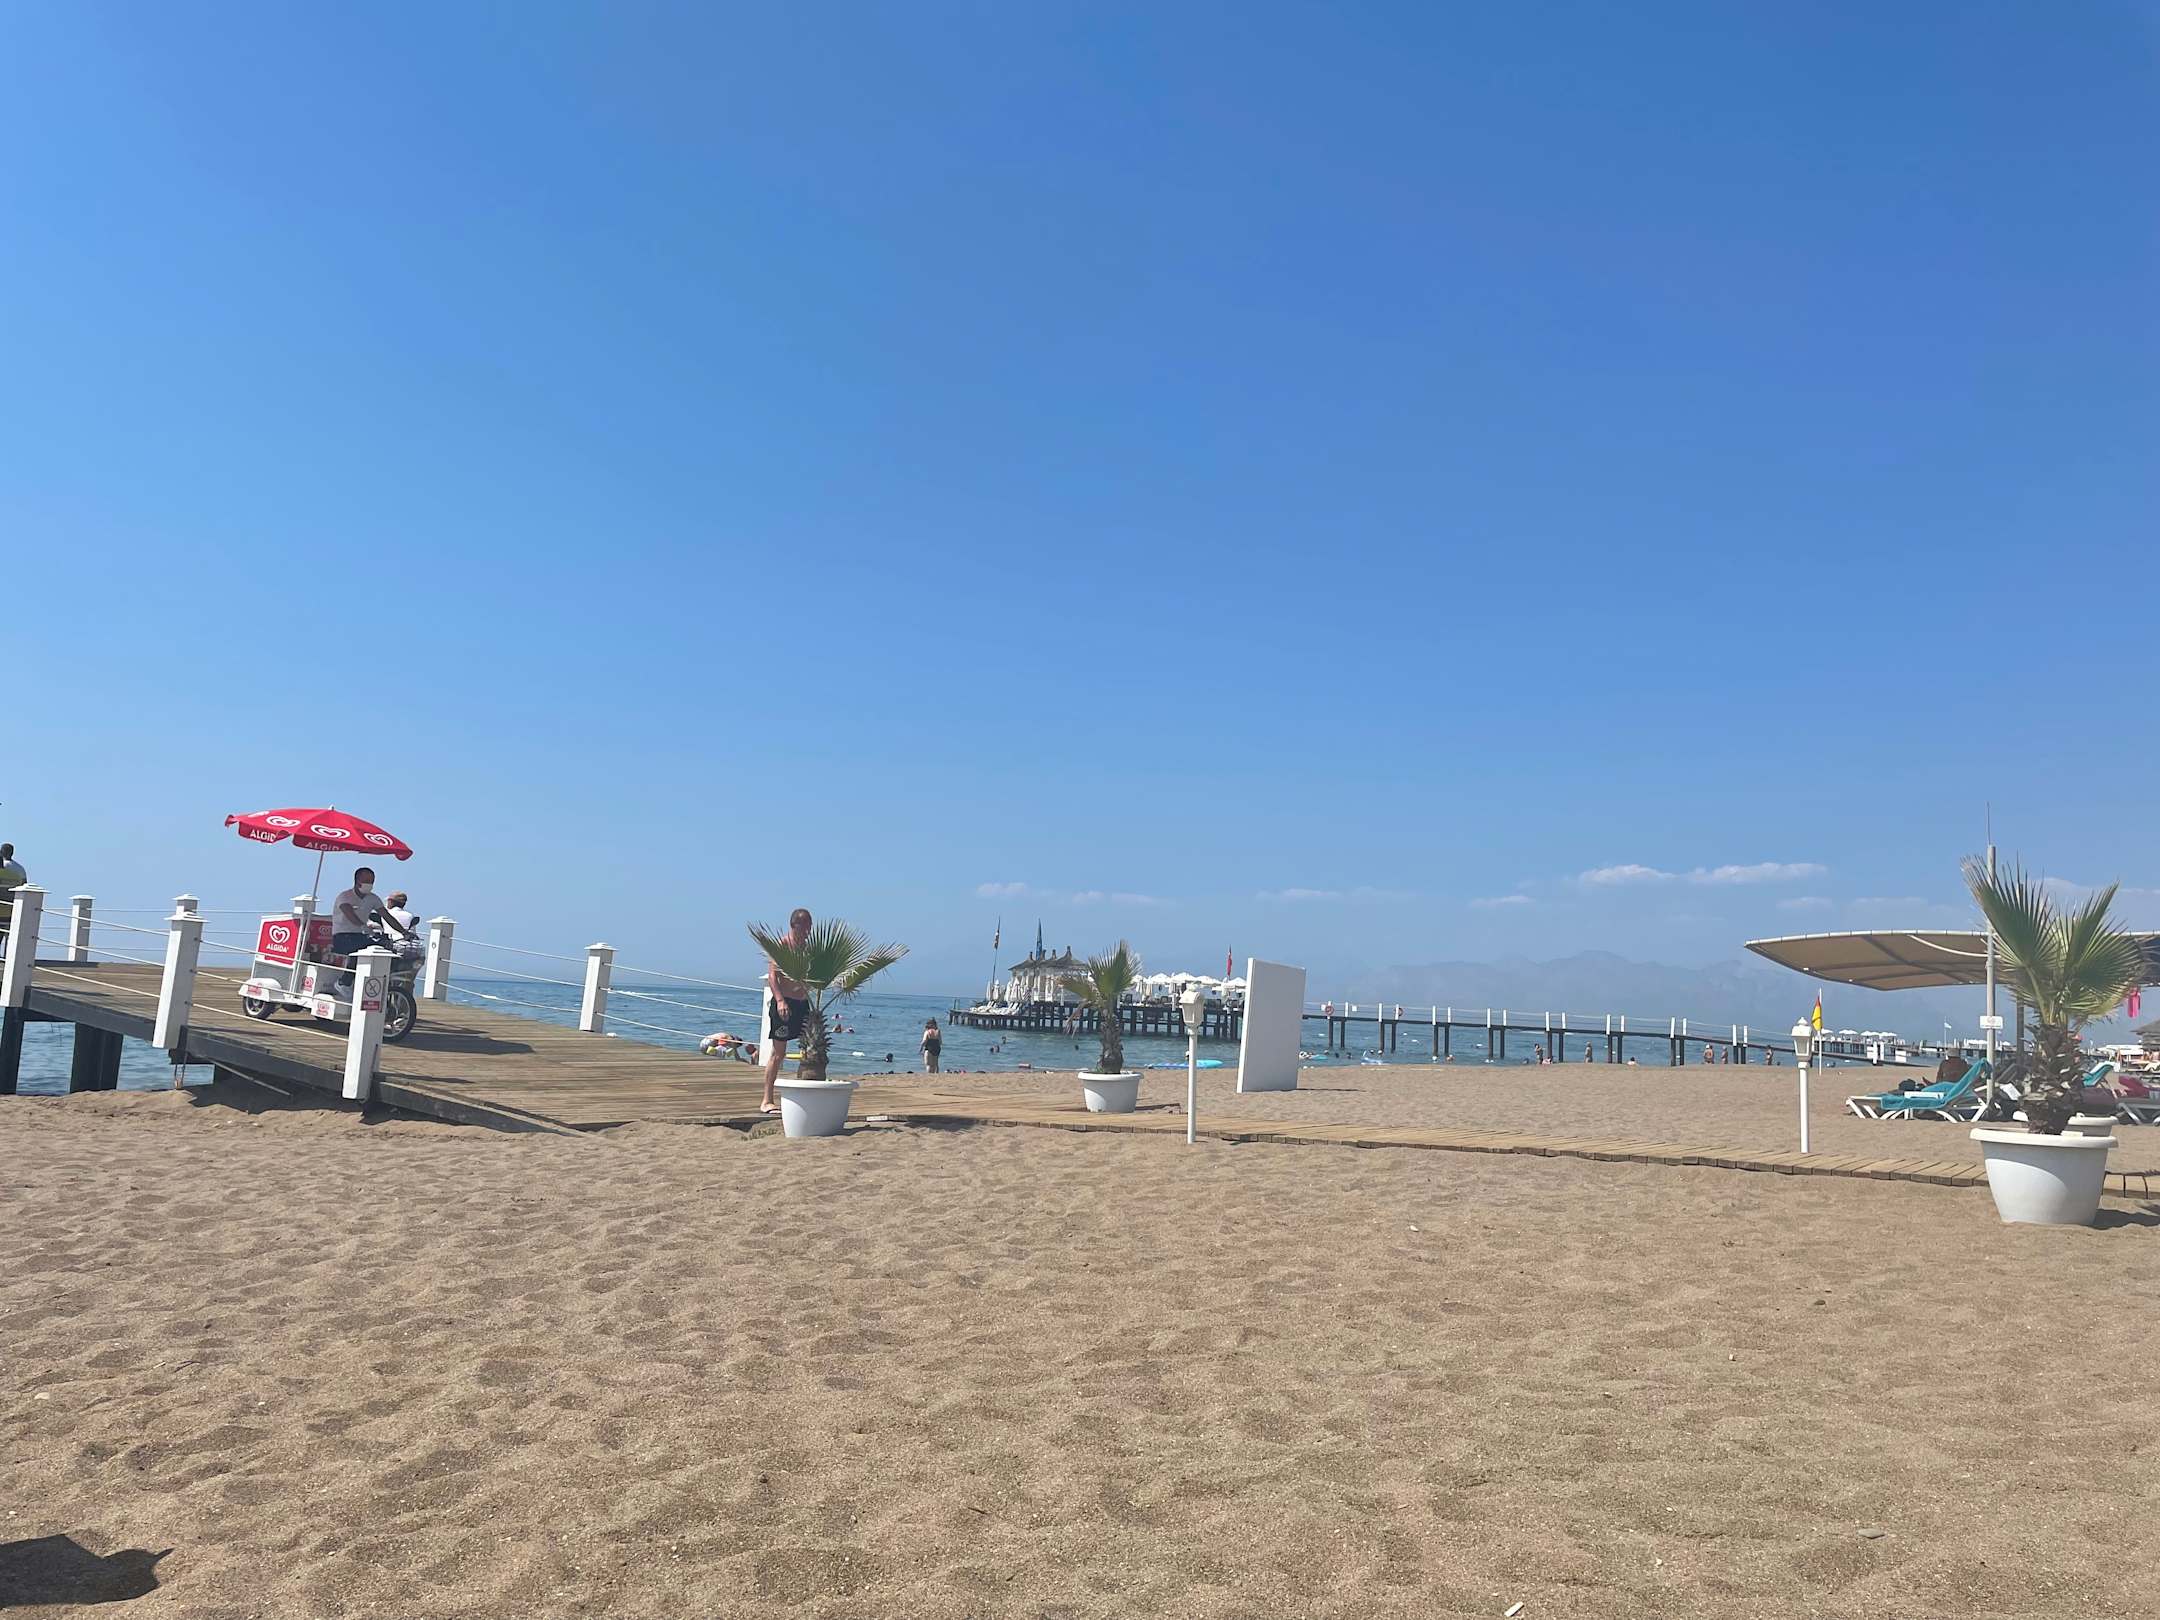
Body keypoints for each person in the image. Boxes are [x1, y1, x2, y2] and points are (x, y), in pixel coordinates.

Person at [760, 906, 813, 1114]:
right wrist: (780, 1000)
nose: (807, 931)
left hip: (803, 1003)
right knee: (778, 1053)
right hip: (785, 1002)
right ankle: (767, 1099)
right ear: (794, 925)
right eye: (804, 927)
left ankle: (804, 1098)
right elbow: (773, 976)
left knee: (808, 1051)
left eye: (809, 927)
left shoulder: (808, 948)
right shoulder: (782, 946)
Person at [329, 867, 411, 956]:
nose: (369, 884)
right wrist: (365, 927)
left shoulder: (373, 898)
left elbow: (387, 916)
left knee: (382, 949)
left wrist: (404, 932)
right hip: (343, 936)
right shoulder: (344, 896)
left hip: (361, 936)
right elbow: (350, 915)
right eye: (366, 881)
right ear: (357, 880)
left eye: (372, 881)